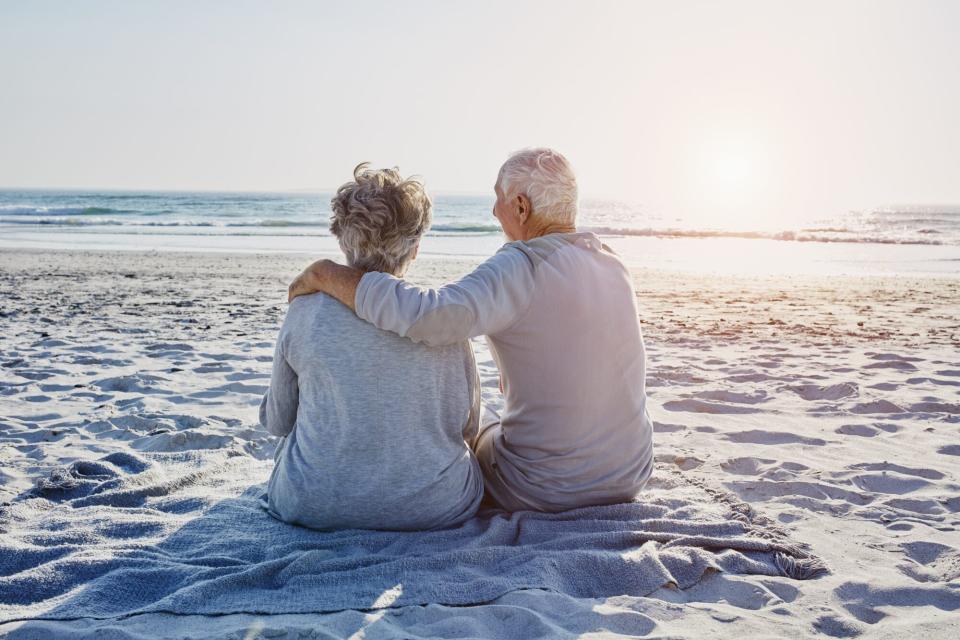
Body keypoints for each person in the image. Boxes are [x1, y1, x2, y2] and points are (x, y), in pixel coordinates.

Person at [288, 148, 653, 513]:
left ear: (522, 208)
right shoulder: (612, 264)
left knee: (478, 433)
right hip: (630, 476)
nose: (495, 212)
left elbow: (429, 318)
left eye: (499, 199)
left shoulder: (520, 266)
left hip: (548, 488)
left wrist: (326, 273)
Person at [260, 163, 483, 530]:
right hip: (435, 508)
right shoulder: (441, 317)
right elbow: (468, 426)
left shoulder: (305, 310)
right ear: (414, 248)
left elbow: (279, 420)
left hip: (312, 504)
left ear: (341, 238)